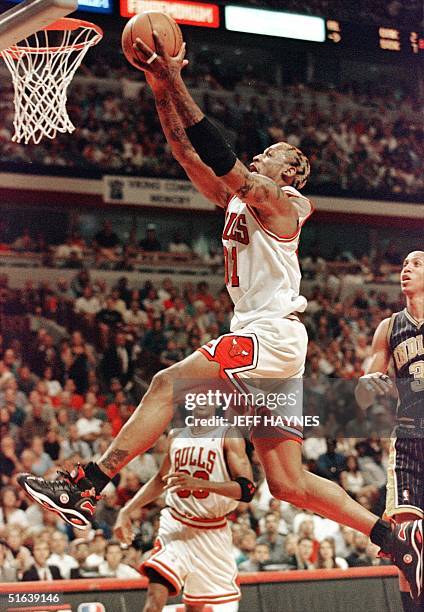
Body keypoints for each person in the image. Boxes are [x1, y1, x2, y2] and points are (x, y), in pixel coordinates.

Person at [18, 35, 422, 600]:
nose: (262, 156)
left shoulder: (284, 203)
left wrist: (178, 81)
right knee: (287, 484)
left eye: (274, 154)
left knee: (169, 383)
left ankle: (86, 485)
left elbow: (226, 161)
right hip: (266, 341)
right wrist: (160, 86)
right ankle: (394, 540)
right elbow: (188, 151)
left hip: (271, 334)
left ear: (291, 175)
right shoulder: (242, 199)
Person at [113, 403, 252, 611]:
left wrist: (202, 484)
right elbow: (161, 479)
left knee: (196, 607)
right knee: (154, 597)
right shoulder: (176, 436)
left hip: (211, 533)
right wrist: (126, 510)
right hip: (175, 524)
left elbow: (247, 489)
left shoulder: (228, 435)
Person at [355, 251, 424, 608]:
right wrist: (370, 384)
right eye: (403, 266)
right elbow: (363, 391)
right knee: (405, 543)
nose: (406, 270)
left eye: (416, 264)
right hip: (411, 438)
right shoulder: (389, 326)